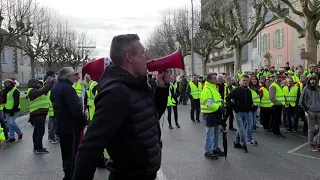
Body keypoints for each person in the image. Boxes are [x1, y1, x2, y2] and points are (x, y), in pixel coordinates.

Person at [72, 34, 170, 180]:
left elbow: (148, 120)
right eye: (142, 52)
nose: (147, 57)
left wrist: (162, 89)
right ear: (129, 57)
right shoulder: (116, 92)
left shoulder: (137, 85)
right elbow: (90, 147)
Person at [51, 67, 87, 180]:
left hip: (61, 125)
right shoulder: (67, 88)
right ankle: (70, 176)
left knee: (65, 153)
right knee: (71, 154)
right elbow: (75, 109)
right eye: (73, 75)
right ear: (67, 76)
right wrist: (83, 121)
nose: (74, 77)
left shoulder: (56, 86)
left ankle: (67, 173)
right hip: (71, 126)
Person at [226, 75, 253, 153]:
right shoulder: (236, 90)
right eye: (243, 80)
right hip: (238, 112)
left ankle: (236, 142)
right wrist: (234, 107)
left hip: (247, 112)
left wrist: (250, 108)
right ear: (240, 81)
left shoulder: (248, 90)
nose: (245, 82)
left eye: (246, 80)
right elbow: (227, 98)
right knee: (241, 129)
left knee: (243, 127)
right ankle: (244, 144)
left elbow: (250, 101)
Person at [201, 73, 224, 159]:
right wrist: (219, 108)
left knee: (216, 133)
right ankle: (208, 151)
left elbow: (218, 99)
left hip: (216, 113)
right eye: (214, 78)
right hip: (209, 114)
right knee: (210, 135)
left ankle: (215, 148)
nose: (216, 80)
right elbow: (209, 103)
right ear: (209, 80)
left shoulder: (214, 88)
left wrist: (222, 104)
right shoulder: (206, 90)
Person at [27, 78, 53, 153]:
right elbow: (44, 90)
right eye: (37, 83)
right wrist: (49, 83)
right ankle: (39, 148)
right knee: (40, 132)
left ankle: (36, 147)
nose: (39, 85)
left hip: (39, 114)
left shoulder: (35, 91)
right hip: (38, 114)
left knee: (37, 131)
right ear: (33, 84)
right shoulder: (32, 91)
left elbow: (45, 90)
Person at [299, 75, 320, 152]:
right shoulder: (306, 89)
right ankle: (311, 145)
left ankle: (318, 144)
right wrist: (306, 111)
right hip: (310, 112)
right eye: (311, 79)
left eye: (314, 79)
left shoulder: (319, 89)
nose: (312, 81)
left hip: (319, 111)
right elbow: (301, 102)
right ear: (309, 80)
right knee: (311, 129)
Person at [2, 78, 22, 143]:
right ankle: (12, 137)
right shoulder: (6, 90)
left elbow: (16, 102)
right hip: (7, 109)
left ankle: (19, 133)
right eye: (6, 83)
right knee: (9, 124)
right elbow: (6, 100)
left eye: (8, 83)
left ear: (11, 83)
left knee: (11, 123)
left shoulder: (15, 90)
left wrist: (13, 110)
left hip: (14, 109)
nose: (7, 84)